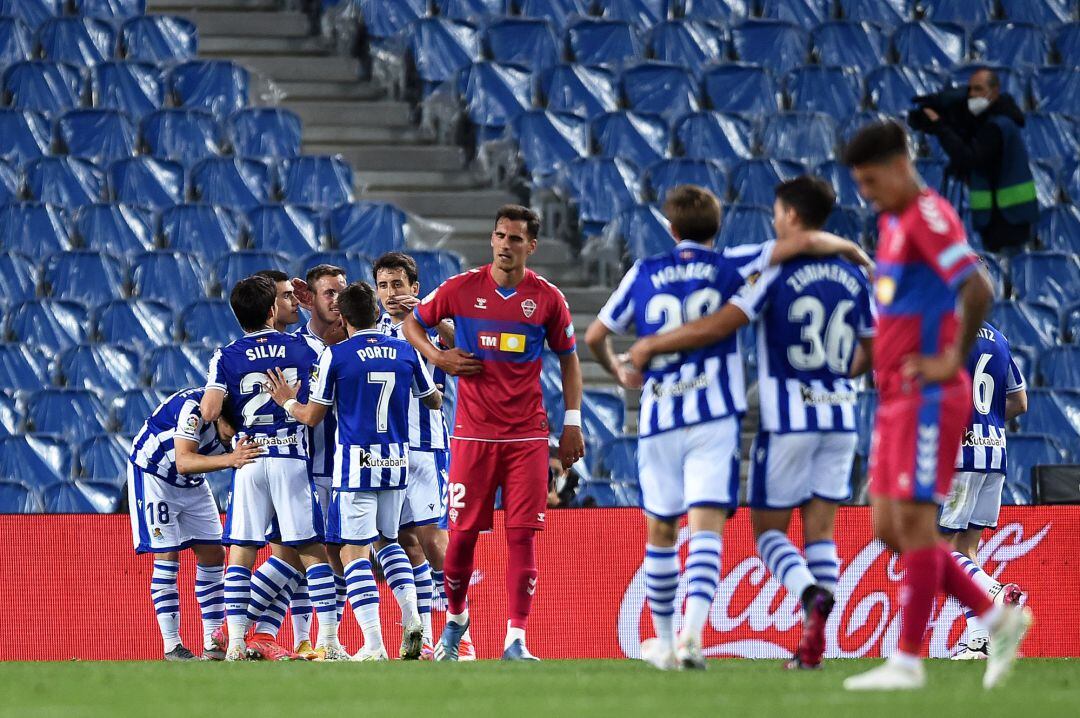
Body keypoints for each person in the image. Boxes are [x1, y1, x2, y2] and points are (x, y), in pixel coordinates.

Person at [584, 184, 871, 671]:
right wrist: (851, 249)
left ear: (670, 228)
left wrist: (624, 367)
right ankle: (707, 636)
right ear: (718, 228)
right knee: (715, 529)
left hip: (664, 416)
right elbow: (866, 338)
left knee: (662, 528)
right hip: (742, 415)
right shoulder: (735, 266)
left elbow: (594, 335)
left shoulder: (646, 270)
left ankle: (668, 644)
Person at [838, 120, 1030, 691]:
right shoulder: (894, 223)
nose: (866, 194)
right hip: (894, 397)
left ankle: (907, 661)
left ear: (900, 165)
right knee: (890, 529)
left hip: (928, 397)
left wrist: (951, 358)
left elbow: (978, 288)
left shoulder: (926, 216)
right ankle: (997, 616)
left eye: (871, 181)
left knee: (920, 527)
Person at [404, 204, 585, 661]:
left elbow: (568, 358)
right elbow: (413, 323)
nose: (506, 245)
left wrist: (572, 422)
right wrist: (438, 356)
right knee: (461, 537)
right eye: (501, 236)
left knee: (521, 536)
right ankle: (457, 620)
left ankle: (515, 639)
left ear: (531, 246)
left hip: (526, 438)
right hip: (471, 437)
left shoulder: (546, 298)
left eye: (516, 239)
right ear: (492, 239)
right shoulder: (462, 288)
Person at [264, 280, 443, 661]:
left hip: (355, 466)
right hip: (397, 462)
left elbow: (313, 416)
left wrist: (285, 402)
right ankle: (414, 621)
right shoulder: (405, 351)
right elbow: (433, 399)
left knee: (352, 553)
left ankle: (375, 644)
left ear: (343, 318)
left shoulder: (338, 355)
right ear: (377, 313)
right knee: (389, 542)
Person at [199, 275, 348, 661]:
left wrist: (230, 422)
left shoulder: (225, 355)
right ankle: (328, 640)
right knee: (313, 551)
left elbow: (210, 411)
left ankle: (232, 643)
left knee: (242, 553)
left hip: (248, 460)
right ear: (270, 311)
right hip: (291, 459)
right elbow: (325, 396)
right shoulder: (300, 349)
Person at [372, 251, 477, 660]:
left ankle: (462, 632)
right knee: (404, 543)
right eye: (383, 286)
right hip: (387, 449)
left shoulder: (433, 324)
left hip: (426, 446)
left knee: (436, 542)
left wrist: (434, 318)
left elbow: (467, 347)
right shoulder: (372, 329)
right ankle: (426, 637)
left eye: (398, 285)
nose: (390, 293)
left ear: (415, 288)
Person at [127, 388, 263, 660]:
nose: (231, 437)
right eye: (228, 430)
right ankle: (171, 645)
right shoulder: (195, 409)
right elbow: (184, 461)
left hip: (192, 483)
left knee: (214, 553)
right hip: (156, 476)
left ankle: (213, 642)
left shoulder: (238, 423)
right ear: (219, 416)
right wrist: (230, 459)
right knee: (168, 555)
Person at [942, 321, 1029, 660]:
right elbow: (1020, 402)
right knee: (967, 551)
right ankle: (977, 641)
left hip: (959, 454)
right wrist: (988, 419)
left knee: (939, 551)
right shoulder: (999, 337)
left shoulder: (944, 330)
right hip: (994, 452)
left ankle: (997, 594)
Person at [920, 68, 1037, 254]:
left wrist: (941, 127)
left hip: (1007, 220)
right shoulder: (991, 123)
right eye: (971, 90)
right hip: (999, 217)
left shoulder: (996, 126)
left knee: (998, 270)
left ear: (995, 91)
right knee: (990, 267)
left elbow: (970, 158)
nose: (972, 95)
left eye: (978, 89)